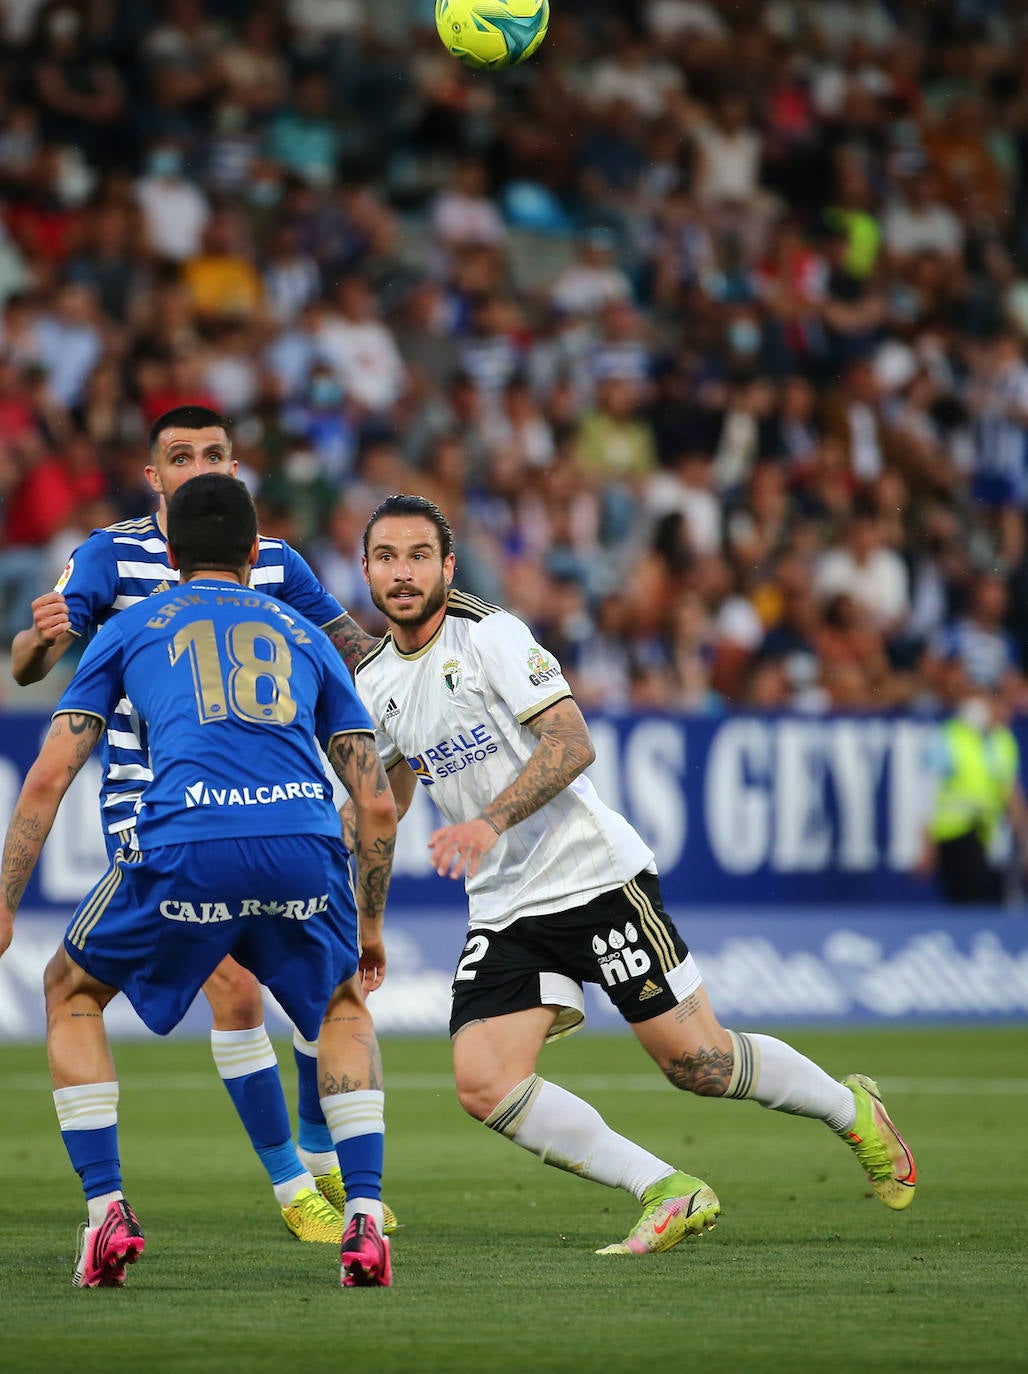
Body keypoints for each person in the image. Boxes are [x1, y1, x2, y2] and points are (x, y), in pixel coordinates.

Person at [350, 493, 916, 1256]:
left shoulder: (489, 636)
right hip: (504, 904)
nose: (403, 572)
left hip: (592, 879)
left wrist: (487, 822)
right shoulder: (377, 678)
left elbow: (571, 741)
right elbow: (391, 796)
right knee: (484, 1081)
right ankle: (666, 1188)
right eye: (387, 557)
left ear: (448, 566)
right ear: (366, 570)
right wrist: (370, 911)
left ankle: (852, 1111)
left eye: (419, 555)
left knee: (700, 1063)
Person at [0, 474, 397, 1289]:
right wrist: (368, 927)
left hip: (186, 841)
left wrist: (2, 914)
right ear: (252, 551)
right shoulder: (301, 631)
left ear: (168, 551)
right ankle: (366, 1218)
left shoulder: (131, 628)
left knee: (71, 989)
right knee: (342, 1004)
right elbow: (374, 800)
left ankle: (106, 1212)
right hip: (304, 840)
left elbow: (50, 777)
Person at [920, 673, 1027, 905]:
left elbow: (1011, 793)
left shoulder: (1002, 741)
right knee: (968, 901)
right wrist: (926, 843)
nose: (1008, 714)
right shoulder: (949, 736)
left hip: (987, 836)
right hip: (955, 834)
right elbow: (928, 793)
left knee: (987, 900)